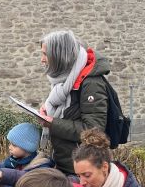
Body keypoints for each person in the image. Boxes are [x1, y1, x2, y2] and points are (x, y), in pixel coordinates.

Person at [36, 30, 111, 175]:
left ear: (60, 55)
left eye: (45, 54)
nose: (42, 60)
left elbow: (94, 130)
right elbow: (66, 111)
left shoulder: (91, 83)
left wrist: (52, 122)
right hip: (63, 161)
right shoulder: (64, 79)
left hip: (81, 170)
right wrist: (47, 108)